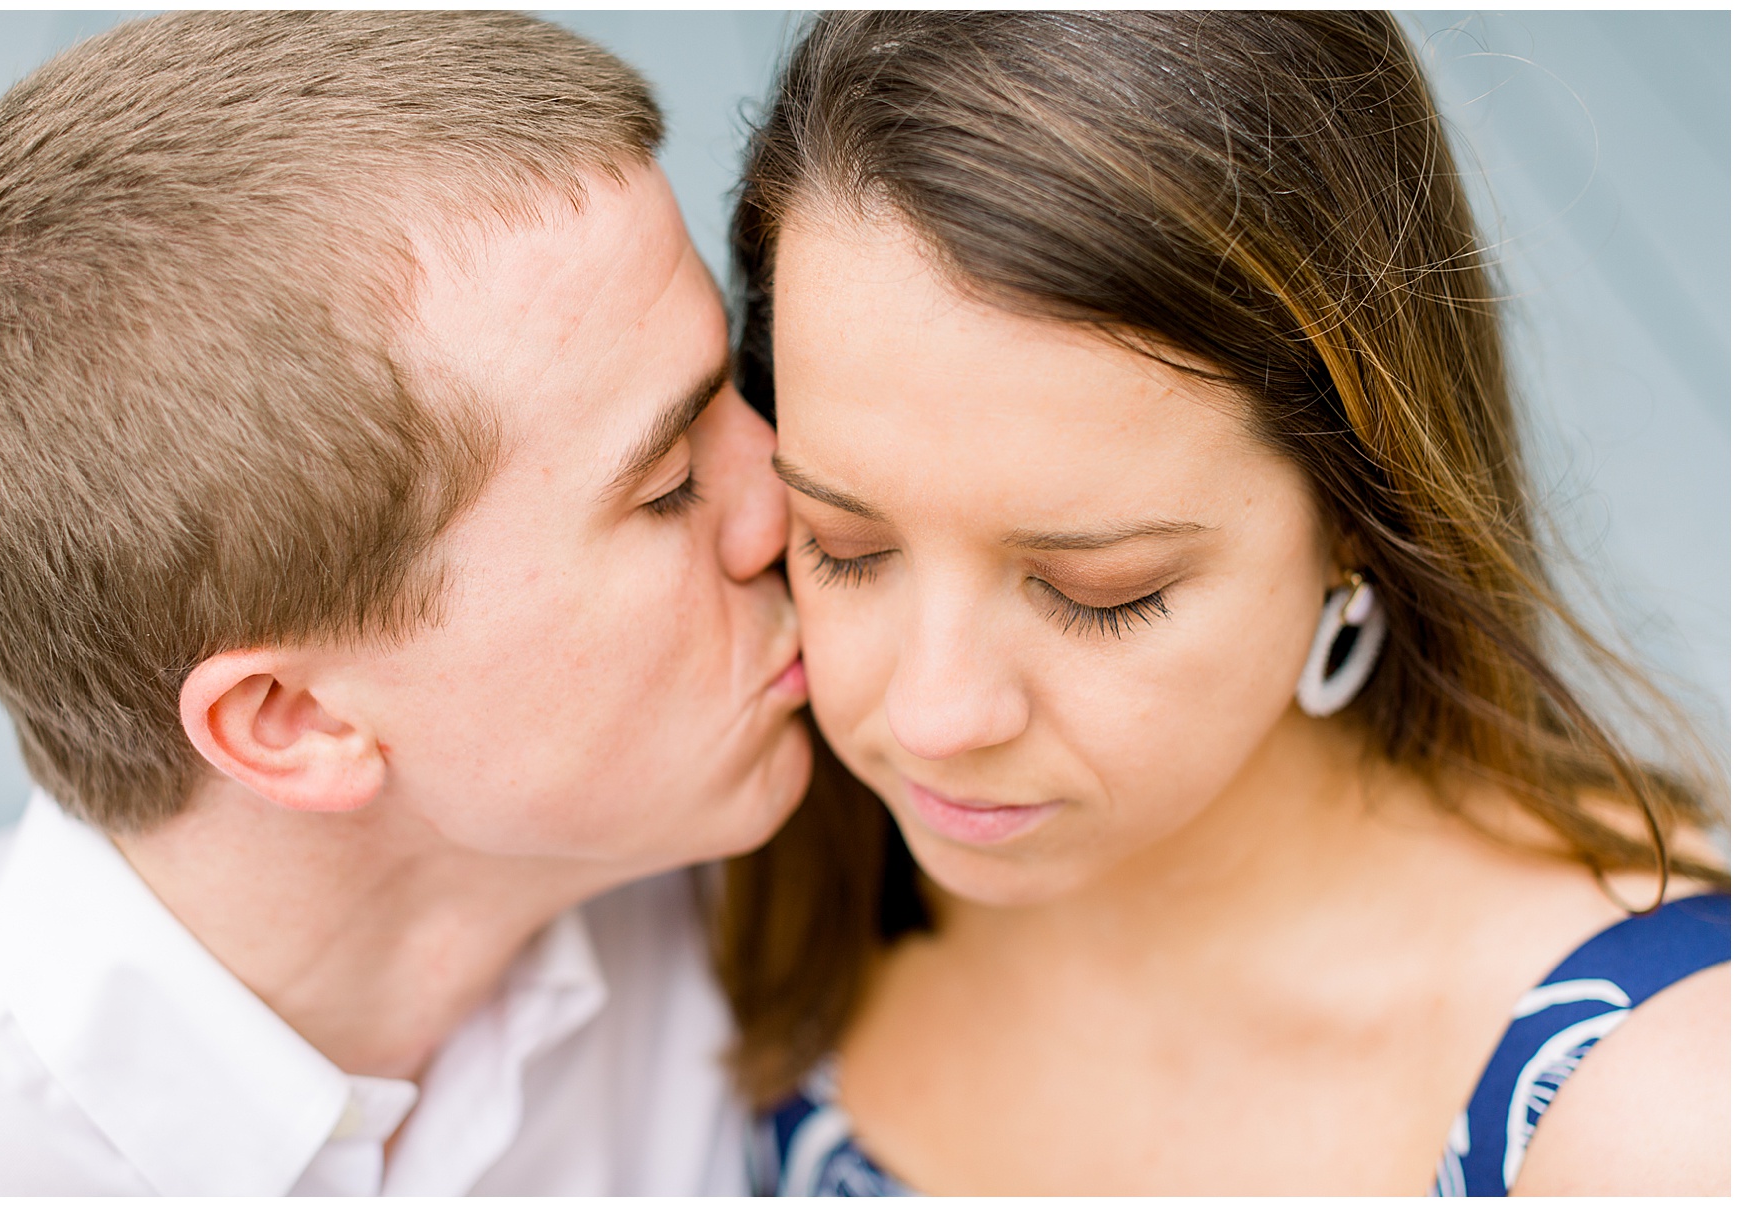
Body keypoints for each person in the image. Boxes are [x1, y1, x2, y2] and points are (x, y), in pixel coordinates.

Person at [715, 11, 1729, 1196]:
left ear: (1360, 514)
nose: (934, 716)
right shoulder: (735, 840)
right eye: (843, 546)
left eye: (1100, 593)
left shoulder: (1655, 1107)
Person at [0, 11, 811, 1195]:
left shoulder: (777, 890)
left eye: (742, 388)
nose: (790, 503)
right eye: (667, 485)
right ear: (294, 720)